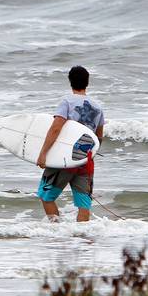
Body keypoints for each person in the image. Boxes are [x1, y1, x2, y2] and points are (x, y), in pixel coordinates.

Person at [36, 66, 105, 222]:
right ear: (87, 83)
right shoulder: (98, 107)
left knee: (46, 196)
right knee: (84, 204)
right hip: (85, 159)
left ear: (70, 82)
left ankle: (57, 231)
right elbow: (99, 137)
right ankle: (81, 235)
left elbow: (56, 128)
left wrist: (43, 153)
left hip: (64, 158)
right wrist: (88, 157)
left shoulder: (67, 102)